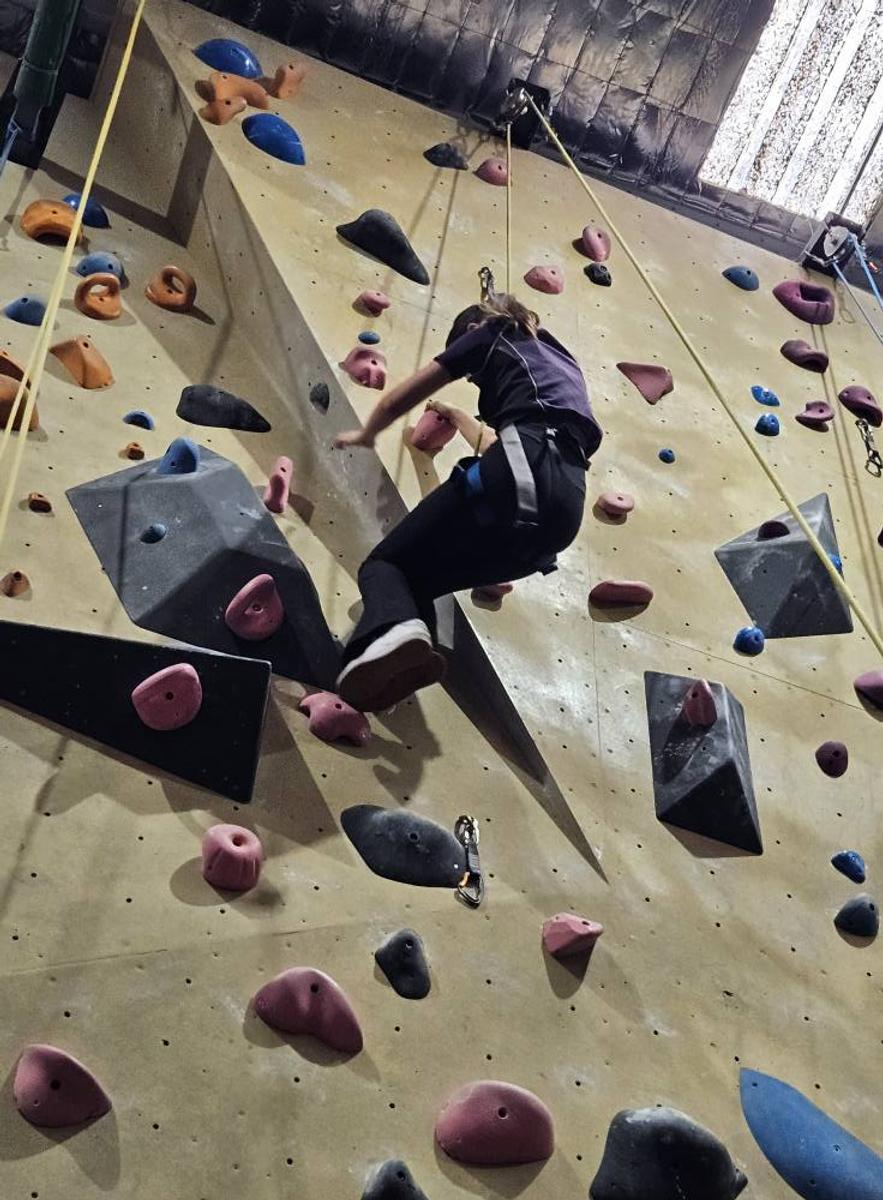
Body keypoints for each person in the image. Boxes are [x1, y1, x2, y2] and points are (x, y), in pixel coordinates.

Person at [333, 292, 603, 712]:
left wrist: (367, 433)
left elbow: (400, 397)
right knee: (419, 581)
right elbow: (510, 446)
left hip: (520, 474)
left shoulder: (488, 333)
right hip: (561, 515)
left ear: (473, 329)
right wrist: (455, 414)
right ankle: (396, 671)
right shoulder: (562, 364)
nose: (475, 380)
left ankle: (387, 638)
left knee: (384, 565)